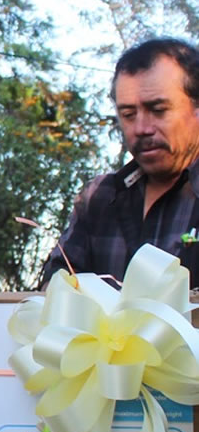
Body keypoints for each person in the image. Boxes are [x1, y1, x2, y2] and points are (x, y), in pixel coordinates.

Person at [41, 38, 199, 286]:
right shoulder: (101, 198)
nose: (141, 128)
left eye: (158, 110)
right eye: (128, 114)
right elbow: (56, 288)